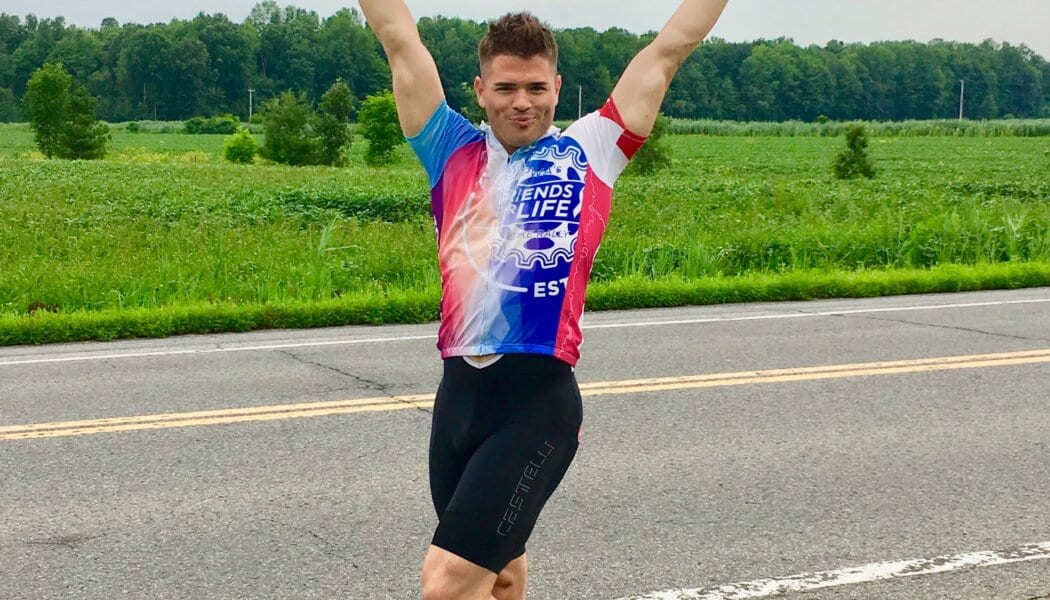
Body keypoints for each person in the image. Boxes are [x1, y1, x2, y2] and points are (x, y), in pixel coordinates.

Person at [357, 2, 729, 598]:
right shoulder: (448, 148)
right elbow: (397, 37)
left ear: (557, 87)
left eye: (535, 88)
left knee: (446, 583)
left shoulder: (593, 148)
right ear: (480, 90)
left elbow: (669, 49)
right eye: (506, 88)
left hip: (536, 405)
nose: (521, 103)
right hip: (457, 400)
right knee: (500, 575)